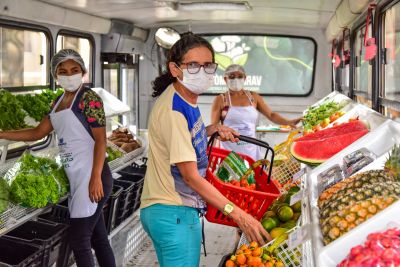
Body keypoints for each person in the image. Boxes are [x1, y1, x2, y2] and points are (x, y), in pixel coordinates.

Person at [140, 33, 271, 267]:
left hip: (165, 211)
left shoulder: (184, 98)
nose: (202, 72)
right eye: (193, 65)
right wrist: (239, 214)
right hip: (174, 213)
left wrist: (213, 129)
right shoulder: (175, 111)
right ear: (175, 69)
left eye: (208, 66)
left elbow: (186, 137)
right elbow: (190, 176)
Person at [0, 49, 116, 267]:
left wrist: (96, 178)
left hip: (93, 177)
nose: (69, 75)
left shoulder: (89, 98)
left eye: (74, 70)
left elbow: (101, 141)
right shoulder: (57, 101)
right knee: (98, 238)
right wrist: (3, 133)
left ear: (82, 71)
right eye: (63, 71)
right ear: (56, 75)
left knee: (80, 240)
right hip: (77, 178)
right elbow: (37, 133)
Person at [211, 64, 303, 160]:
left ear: (245, 78)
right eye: (232, 77)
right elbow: (215, 128)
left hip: (251, 149)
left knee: (252, 173)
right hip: (228, 150)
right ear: (225, 79)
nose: (236, 80)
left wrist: (289, 122)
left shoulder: (253, 97)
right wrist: (211, 154)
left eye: (239, 76)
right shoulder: (221, 99)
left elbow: (271, 115)